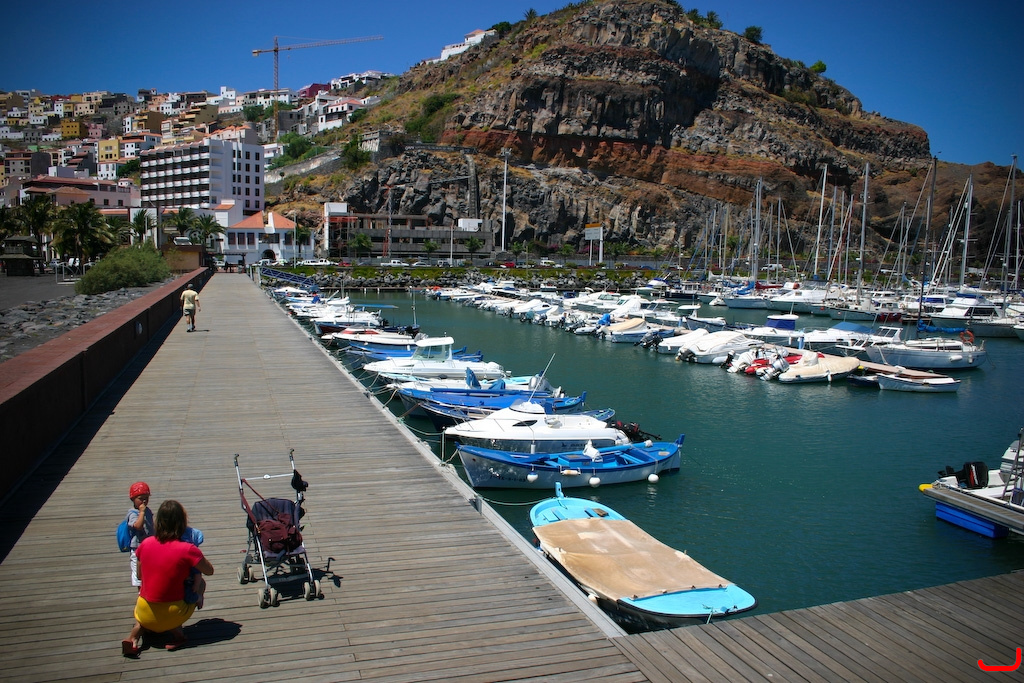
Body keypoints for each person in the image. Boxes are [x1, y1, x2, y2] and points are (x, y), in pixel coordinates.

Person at [122, 500, 214, 657]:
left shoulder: (145, 544)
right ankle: (178, 635)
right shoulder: (188, 549)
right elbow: (209, 571)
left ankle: (133, 638)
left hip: (144, 610)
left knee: (146, 615)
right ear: (182, 522)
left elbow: (140, 575)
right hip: (173, 613)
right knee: (200, 584)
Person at [127, 482, 154, 588]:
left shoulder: (148, 511)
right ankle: (140, 591)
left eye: (146, 498)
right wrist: (141, 513)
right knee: (139, 573)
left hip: (149, 545)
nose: (144, 501)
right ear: (133, 499)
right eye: (141, 499)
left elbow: (152, 526)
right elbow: (138, 526)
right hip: (137, 547)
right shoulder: (132, 513)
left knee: (150, 569)